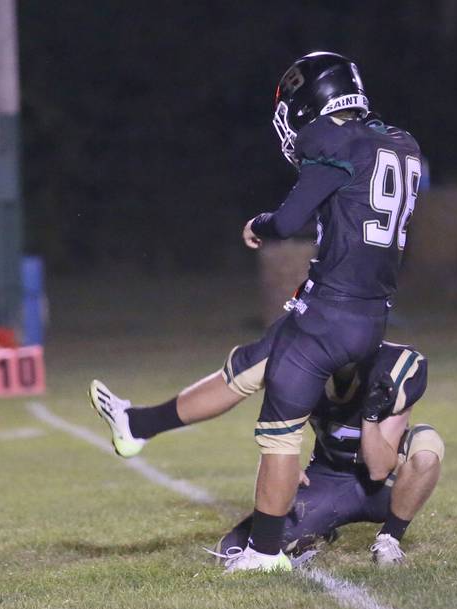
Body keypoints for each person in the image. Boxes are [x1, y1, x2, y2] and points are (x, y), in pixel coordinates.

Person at [90, 51, 423, 572]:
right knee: (248, 366)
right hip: (367, 312)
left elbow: (290, 219)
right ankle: (137, 424)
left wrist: (260, 224)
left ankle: (265, 552)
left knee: (280, 433)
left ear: (312, 101)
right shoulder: (400, 143)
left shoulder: (331, 140)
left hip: (328, 316)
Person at [214, 342, 443, 567]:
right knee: (233, 548)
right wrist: (287, 468)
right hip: (328, 477)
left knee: (427, 444)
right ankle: (318, 530)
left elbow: (379, 469)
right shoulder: (300, 369)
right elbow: (274, 441)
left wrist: (370, 417)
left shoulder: (396, 365)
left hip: (385, 487)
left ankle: (389, 539)